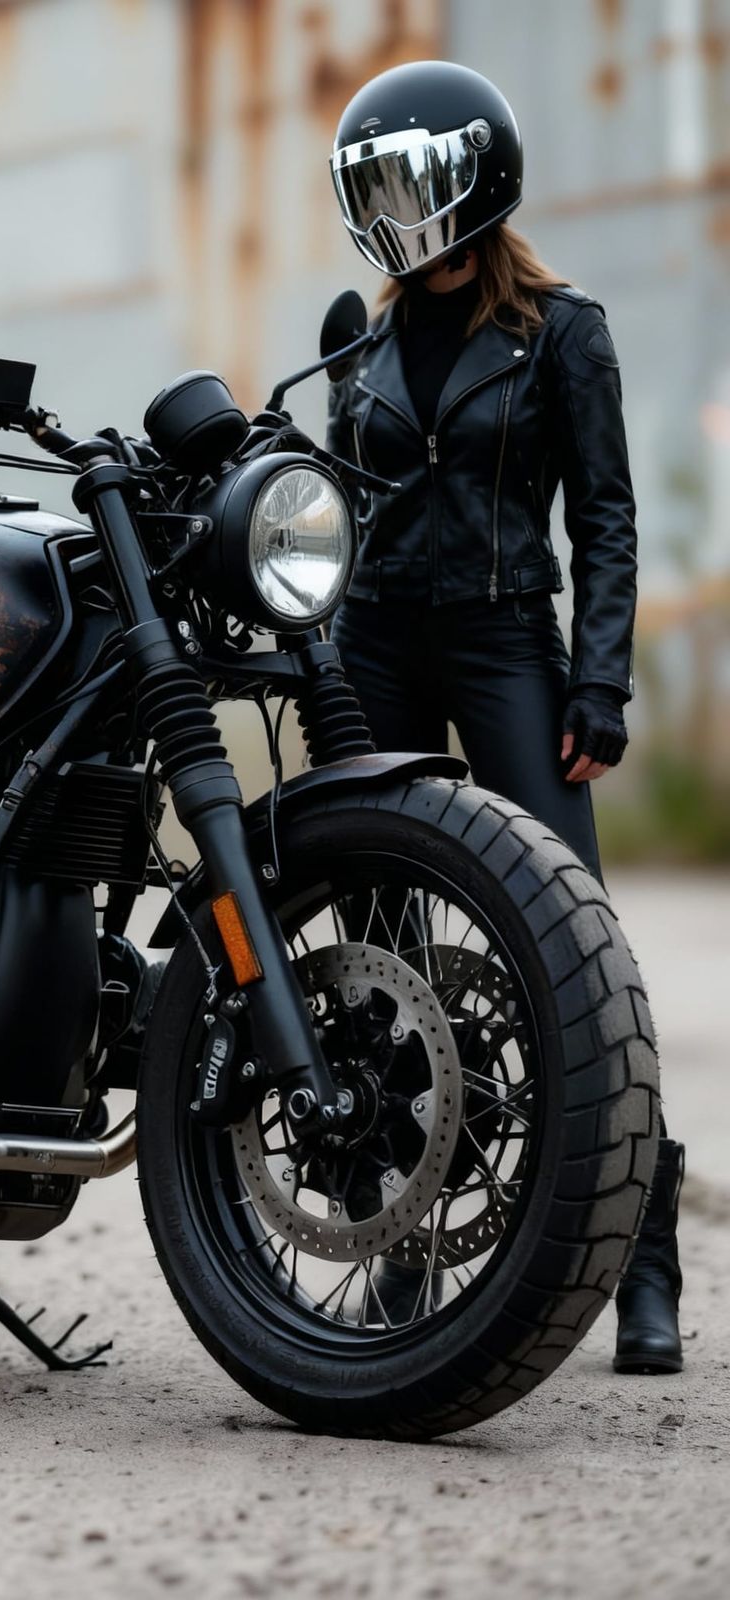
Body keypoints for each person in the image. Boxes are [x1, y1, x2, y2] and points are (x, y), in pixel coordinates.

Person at [325, 60, 683, 1374]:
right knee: (381, 961)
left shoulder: (564, 332)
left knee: (576, 947)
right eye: (373, 189)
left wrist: (601, 681)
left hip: (505, 644)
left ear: (477, 183)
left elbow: (607, 518)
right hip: (372, 650)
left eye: (411, 184)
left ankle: (644, 1261)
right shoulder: (356, 346)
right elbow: (329, 514)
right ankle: (405, 1242)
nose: (394, 211)